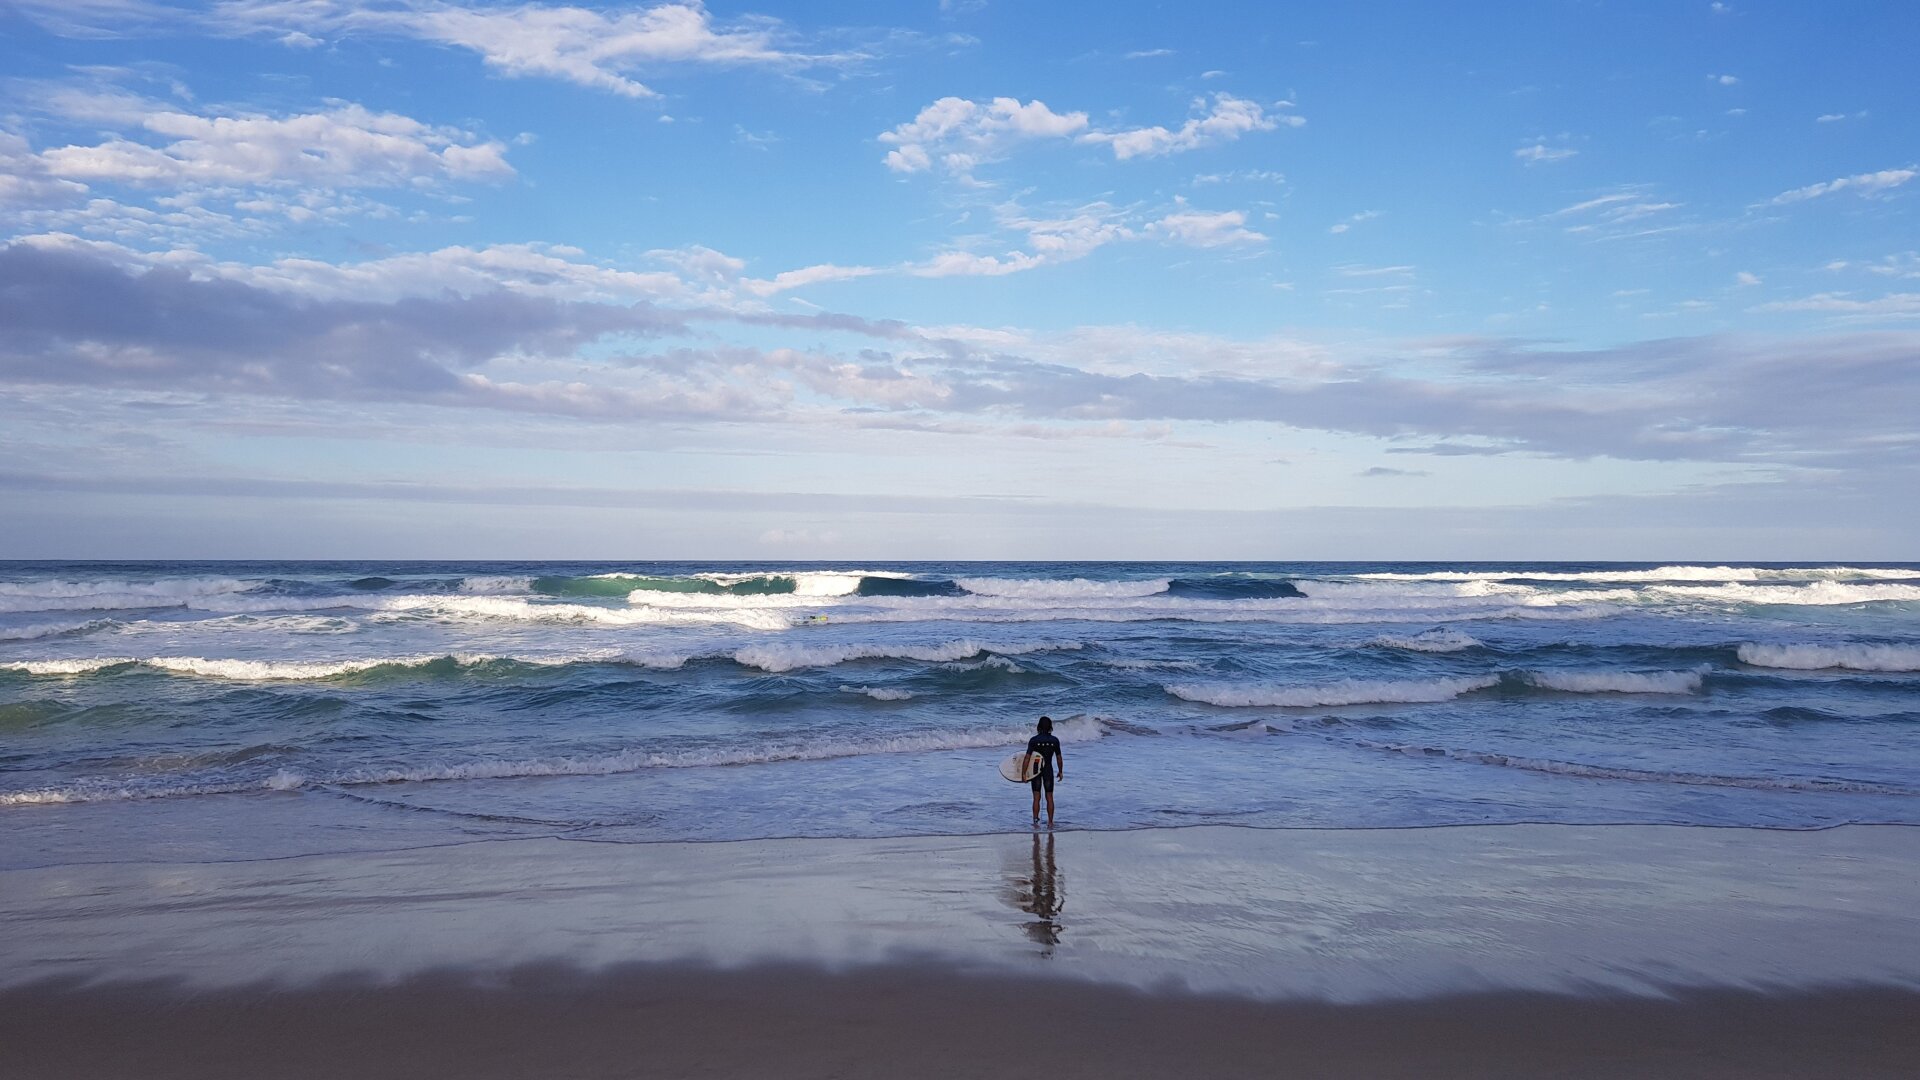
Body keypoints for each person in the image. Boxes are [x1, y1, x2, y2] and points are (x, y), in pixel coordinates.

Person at [1022, 715, 1064, 826]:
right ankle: (1050, 822)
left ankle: (1035, 822)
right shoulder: (1054, 741)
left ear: (1039, 727)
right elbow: (1059, 758)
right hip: (1048, 770)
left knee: (1036, 797)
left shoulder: (1034, 740)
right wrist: (1060, 771)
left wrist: (1024, 773)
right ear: (1050, 727)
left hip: (1036, 770)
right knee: (1049, 797)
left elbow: (1027, 758)